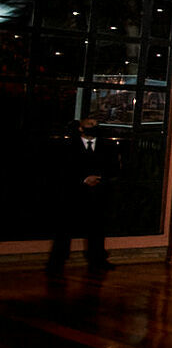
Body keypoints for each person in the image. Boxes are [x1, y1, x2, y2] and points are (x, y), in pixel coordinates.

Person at [46, 116, 116, 275]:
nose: (93, 127)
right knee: (65, 230)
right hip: (73, 194)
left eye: (95, 124)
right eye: (90, 124)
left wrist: (100, 179)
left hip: (98, 194)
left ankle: (98, 259)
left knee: (97, 229)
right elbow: (61, 169)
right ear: (81, 128)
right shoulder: (68, 146)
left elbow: (113, 168)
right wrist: (83, 179)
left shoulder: (107, 146)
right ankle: (57, 262)